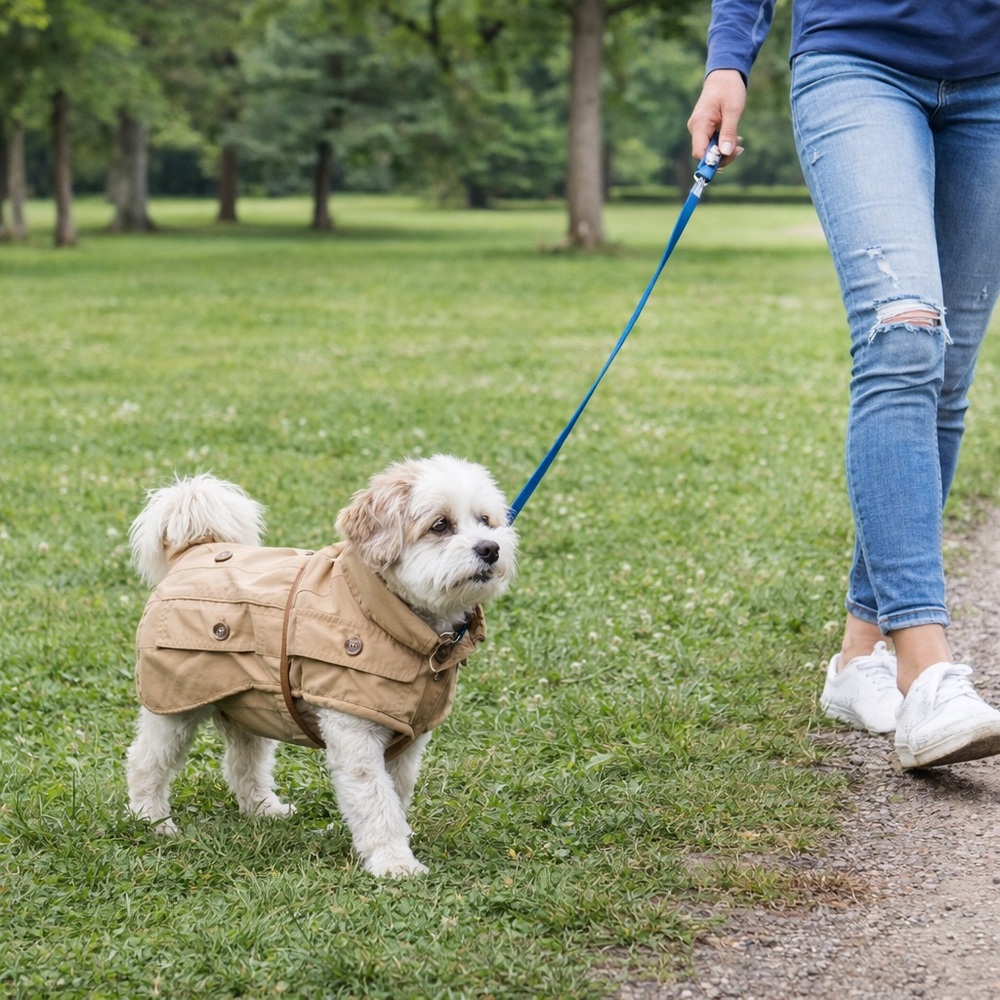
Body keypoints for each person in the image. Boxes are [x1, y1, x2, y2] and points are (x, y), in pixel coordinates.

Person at [687, 1, 1000, 768]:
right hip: (858, 59)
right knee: (904, 335)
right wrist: (729, 55)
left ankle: (863, 658)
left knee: (946, 373)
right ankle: (927, 672)